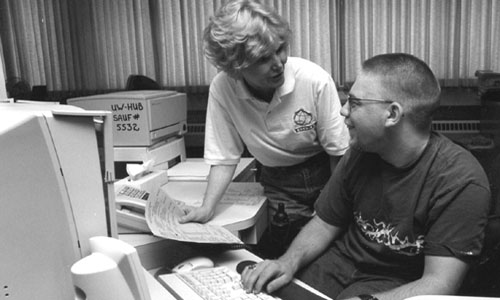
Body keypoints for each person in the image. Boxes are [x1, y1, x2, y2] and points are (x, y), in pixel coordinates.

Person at [240, 53, 491, 300]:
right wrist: (286, 262)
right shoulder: (361, 151)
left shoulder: (461, 181)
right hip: (339, 264)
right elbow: (326, 223)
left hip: (396, 282)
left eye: (355, 102)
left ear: (392, 114)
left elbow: (440, 283)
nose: (343, 111)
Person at [179, 0, 350, 246]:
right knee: (285, 246)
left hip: (326, 173)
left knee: (331, 246)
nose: (278, 63)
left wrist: (330, 208)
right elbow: (223, 158)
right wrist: (207, 207)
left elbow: (339, 154)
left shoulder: (314, 80)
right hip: (277, 180)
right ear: (236, 67)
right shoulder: (223, 88)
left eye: (280, 48)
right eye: (262, 59)